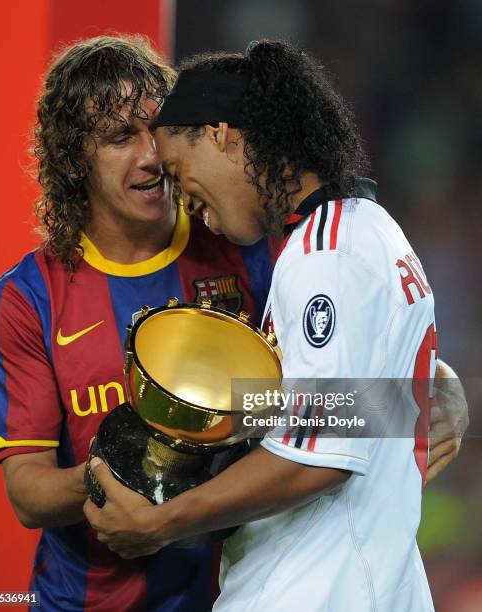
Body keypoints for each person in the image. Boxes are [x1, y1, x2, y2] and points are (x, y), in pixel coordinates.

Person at [84, 41, 468, 611]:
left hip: (311, 590)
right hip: (367, 584)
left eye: (177, 171)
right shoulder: (367, 228)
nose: (184, 199)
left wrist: (164, 521)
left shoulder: (324, 256)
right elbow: (348, 409)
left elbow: (320, 454)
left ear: (221, 135)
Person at [0, 35, 276, 611]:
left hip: (239, 595)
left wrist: (422, 383)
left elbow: (327, 401)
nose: (152, 155)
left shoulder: (242, 244)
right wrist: (129, 470)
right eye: (120, 137)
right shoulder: (29, 297)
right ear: (71, 160)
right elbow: (28, 493)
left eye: (158, 128)